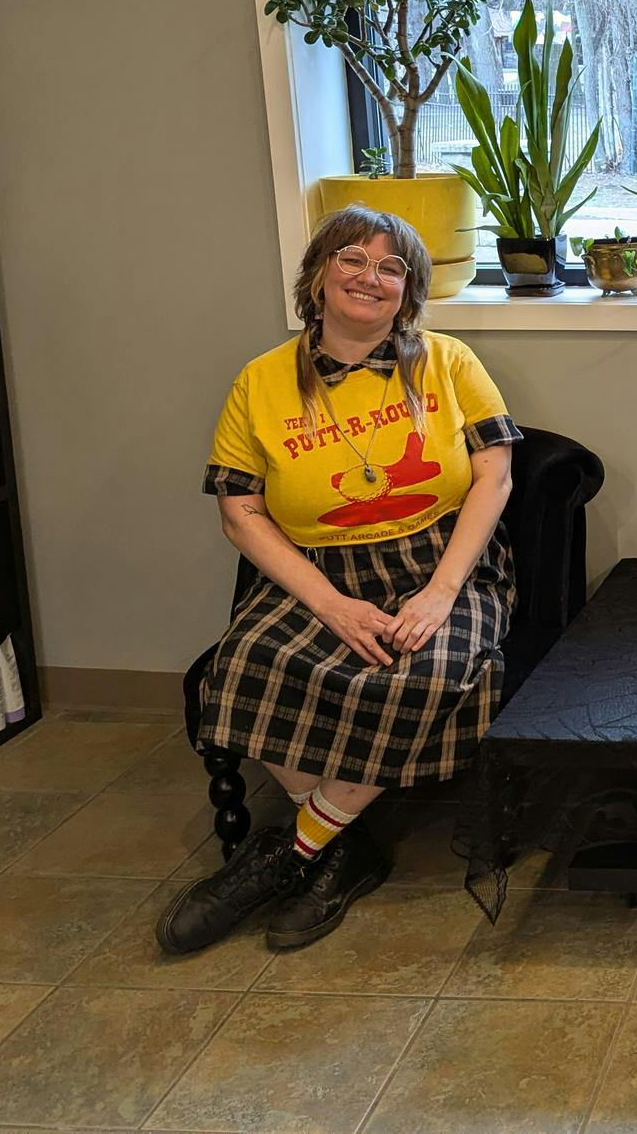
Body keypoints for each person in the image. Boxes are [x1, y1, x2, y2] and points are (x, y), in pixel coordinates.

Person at [158, 206, 521, 953]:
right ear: (318, 275)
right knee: (244, 667)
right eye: (353, 258)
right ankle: (340, 847)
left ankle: (288, 851)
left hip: (440, 561)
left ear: (410, 292)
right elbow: (241, 513)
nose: (371, 277)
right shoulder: (259, 382)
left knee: (421, 675)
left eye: (393, 268)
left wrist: (442, 591)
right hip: (317, 570)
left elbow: (495, 475)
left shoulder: (449, 363)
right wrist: (331, 604)